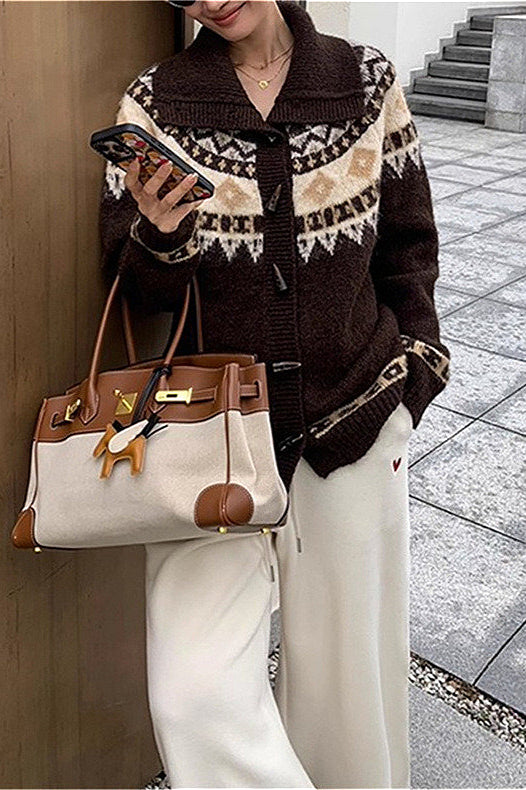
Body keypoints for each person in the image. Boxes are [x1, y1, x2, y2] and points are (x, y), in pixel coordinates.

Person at [98, 1, 451, 787]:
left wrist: (416, 374)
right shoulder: (156, 102)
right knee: (194, 697)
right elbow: (137, 291)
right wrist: (160, 235)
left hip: (354, 424)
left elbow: (410, 247)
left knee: (347, 702)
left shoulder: (364, 81)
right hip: (209, 444)